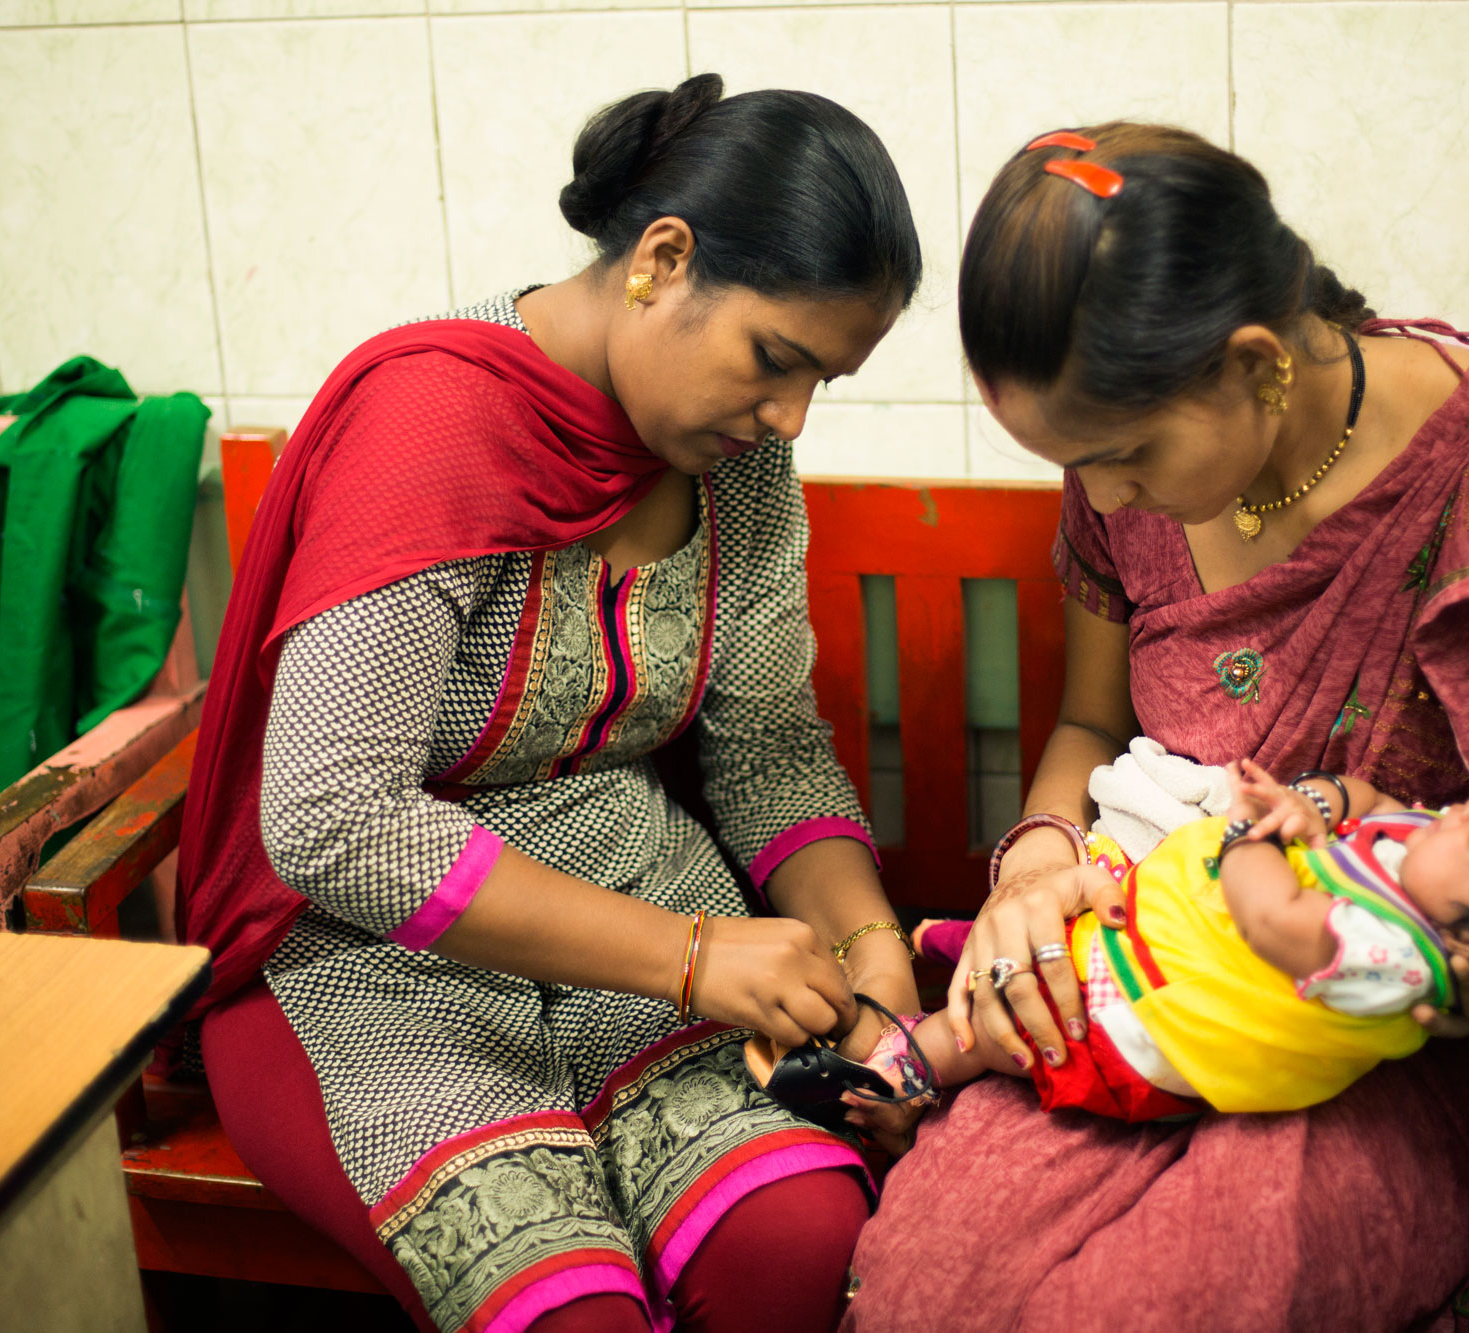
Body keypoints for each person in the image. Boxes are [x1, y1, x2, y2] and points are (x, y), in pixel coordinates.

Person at [844, 123, 1469, 1330]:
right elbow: (1091, 721)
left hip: (1417, 1006)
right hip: (1147, 957)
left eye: (1123, 456)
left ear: (1253, 362)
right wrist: (1033, 870)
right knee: (928, 1278)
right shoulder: (1122, 481)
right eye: (1073, 464)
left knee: (1178, 1298)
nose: (1101, 496)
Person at [171, 74, 925, 1333]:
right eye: (775, 360)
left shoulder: (731, 458)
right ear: (660, 261)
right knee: (569, 1313)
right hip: (367, 960)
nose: (788, 416)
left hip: (643, 906)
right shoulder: (429, 426)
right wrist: (689, 958)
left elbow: (767, 748)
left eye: (819, 383)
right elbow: (332, 818)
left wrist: (870, 951)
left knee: (794, 1240)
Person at [849, 760, 1469, 1129]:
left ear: (1464, 944)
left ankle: (914, 1063)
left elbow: (1270, 920)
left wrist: (1247, 833)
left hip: (1156, 1016)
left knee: (1023, 1029)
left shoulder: (1391, 958)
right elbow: (1375, 801)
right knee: (1096, 891)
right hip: (1180, 923)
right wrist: (1321, 800)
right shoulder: (1436, 860)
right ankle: (954, 941)